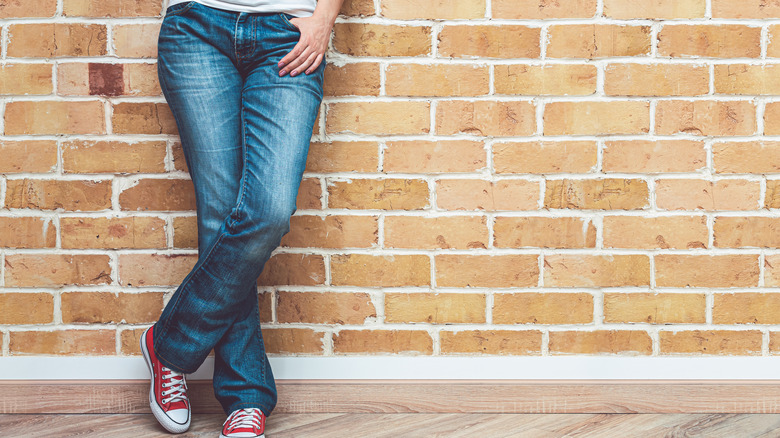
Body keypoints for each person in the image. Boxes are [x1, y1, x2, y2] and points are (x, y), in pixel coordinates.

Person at [139, 0, 342, 436]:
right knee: (219, 214)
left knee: (267, 211)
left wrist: (324, 18)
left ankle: (169, 345)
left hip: (288, 34)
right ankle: (245, 395)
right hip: (197, 29)